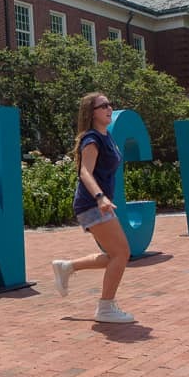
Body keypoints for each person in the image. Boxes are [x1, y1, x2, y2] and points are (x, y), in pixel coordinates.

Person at [50, 92, 135, 323]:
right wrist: (100, 197)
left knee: (117, 255)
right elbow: (84, 172)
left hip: (99, 203)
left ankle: (67, 267)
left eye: (110, 104)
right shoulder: (92, 139)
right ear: (91, 113)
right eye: (103, 106)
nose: (109, 108)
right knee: (121, 253)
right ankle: (105, 308)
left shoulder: (106, 136)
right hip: (92, 203)